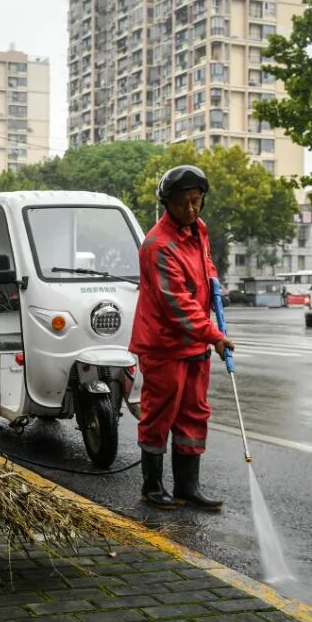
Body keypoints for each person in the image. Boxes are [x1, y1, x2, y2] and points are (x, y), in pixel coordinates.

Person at [129, 165, 234, 511]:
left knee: (193, 413)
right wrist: (215, 335)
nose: (191, 209)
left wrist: (215, 283)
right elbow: (178, 304)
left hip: (194, 343)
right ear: (167, 203)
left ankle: (188, 487)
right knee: (159, 414)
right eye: (182, 203)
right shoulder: (157, 245)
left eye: (196, 201)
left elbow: (204, 266)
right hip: (164, 344)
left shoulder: (198, 230)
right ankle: (152, 486)